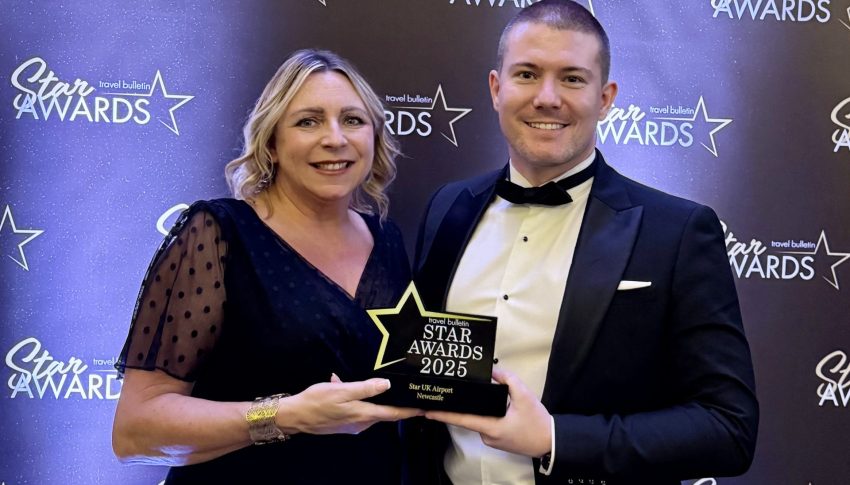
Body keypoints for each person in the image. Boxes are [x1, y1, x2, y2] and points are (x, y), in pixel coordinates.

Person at [406, 1, 759, 484]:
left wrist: (556, 438)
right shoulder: (449, 207)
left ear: (606, 97)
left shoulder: (677, 231)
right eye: (527, 74)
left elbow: (728, 427)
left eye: (572, 78)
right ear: (496, 88)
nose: (547, 97)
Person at [112, 49, 421, 484]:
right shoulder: (216, 234)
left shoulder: (388, 240)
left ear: (375, 137)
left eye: (353, 120)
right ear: (272, 142)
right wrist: (287, 415)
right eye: (308, 121)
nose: (335, 138)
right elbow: (136, 431)